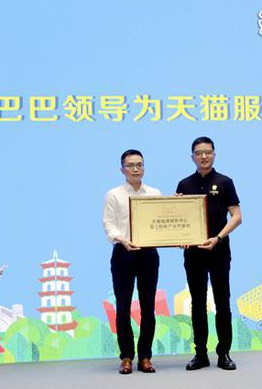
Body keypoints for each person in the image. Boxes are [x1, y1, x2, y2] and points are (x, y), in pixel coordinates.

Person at [176, 137, 242, 371]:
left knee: (222, 302)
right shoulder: (184, 184)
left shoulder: (225, 182)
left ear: (214, 154)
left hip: (219, 250)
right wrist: (179, 237)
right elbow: (178, 219)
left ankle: (224, 353)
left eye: (207, 152)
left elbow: (237, 216)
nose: (203, 156)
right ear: (192, 157)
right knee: (197, 303)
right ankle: (200, 354)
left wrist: (218, 238)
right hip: (193, 253)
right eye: (199, 153)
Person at [103, 149, 161, 374]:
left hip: (148, 254)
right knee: (123, 307)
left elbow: (161, 222)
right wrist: (122, 240)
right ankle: (126, 356)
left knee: (148, 308)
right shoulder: (113, 194)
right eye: (130, 165)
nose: (136, 169)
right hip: (123, 253)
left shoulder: (154, 193)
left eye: (139, 165)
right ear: (122, 169)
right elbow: (108, 224)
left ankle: (145, 357)